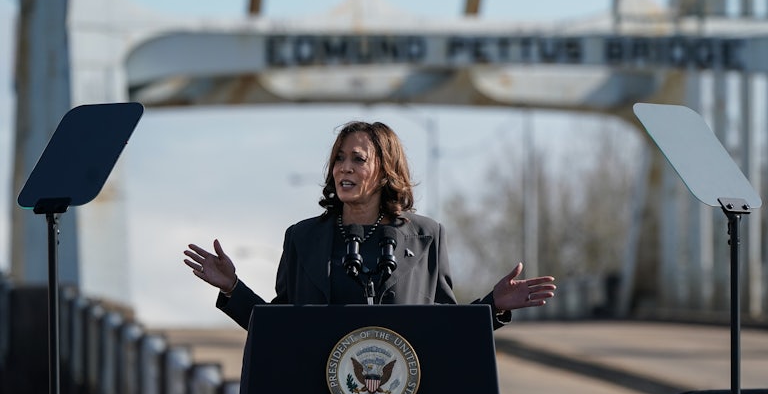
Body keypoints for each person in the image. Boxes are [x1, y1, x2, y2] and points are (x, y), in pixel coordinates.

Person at [183, 121, 556, 330]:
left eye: (357, 159)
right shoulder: (302, 237)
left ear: (384, 171)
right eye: (339, 159)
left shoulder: (427, 237)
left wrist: (494, 306)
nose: (344, 167)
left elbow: (446, 328)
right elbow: (277, 329)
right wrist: (233, 288)